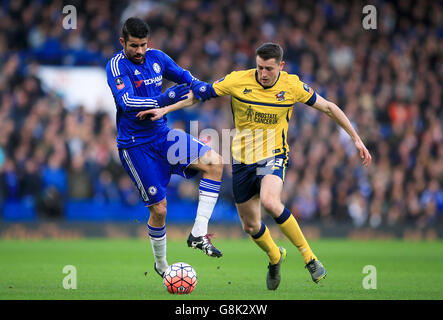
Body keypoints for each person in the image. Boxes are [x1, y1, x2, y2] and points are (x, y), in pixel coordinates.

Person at [139, 43, 372, 290]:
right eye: (259, 67)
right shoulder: (238, 80)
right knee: (250, 226)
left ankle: (309, 257)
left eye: (269, 69)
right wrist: (165, 108)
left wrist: (355, 138)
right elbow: (199, 94)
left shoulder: (292, 86)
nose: (263, 73)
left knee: (271, 202)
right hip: (241, 162)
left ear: (280, 66)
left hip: (273, 155)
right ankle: (275, 256)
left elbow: (328, 107)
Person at [105, 17, 225, 279]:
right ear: (122, 41)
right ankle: (161, 264)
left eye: (143, 45)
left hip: (163, 135)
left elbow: (184, 76)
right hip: (136, 147)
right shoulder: (115, 66)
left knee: (215, 162)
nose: (139, 51)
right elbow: (126, 102)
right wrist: (164, 98)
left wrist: (200, 87)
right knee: (159, 210)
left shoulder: (157, 58)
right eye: (134, 45)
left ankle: (198, 233)